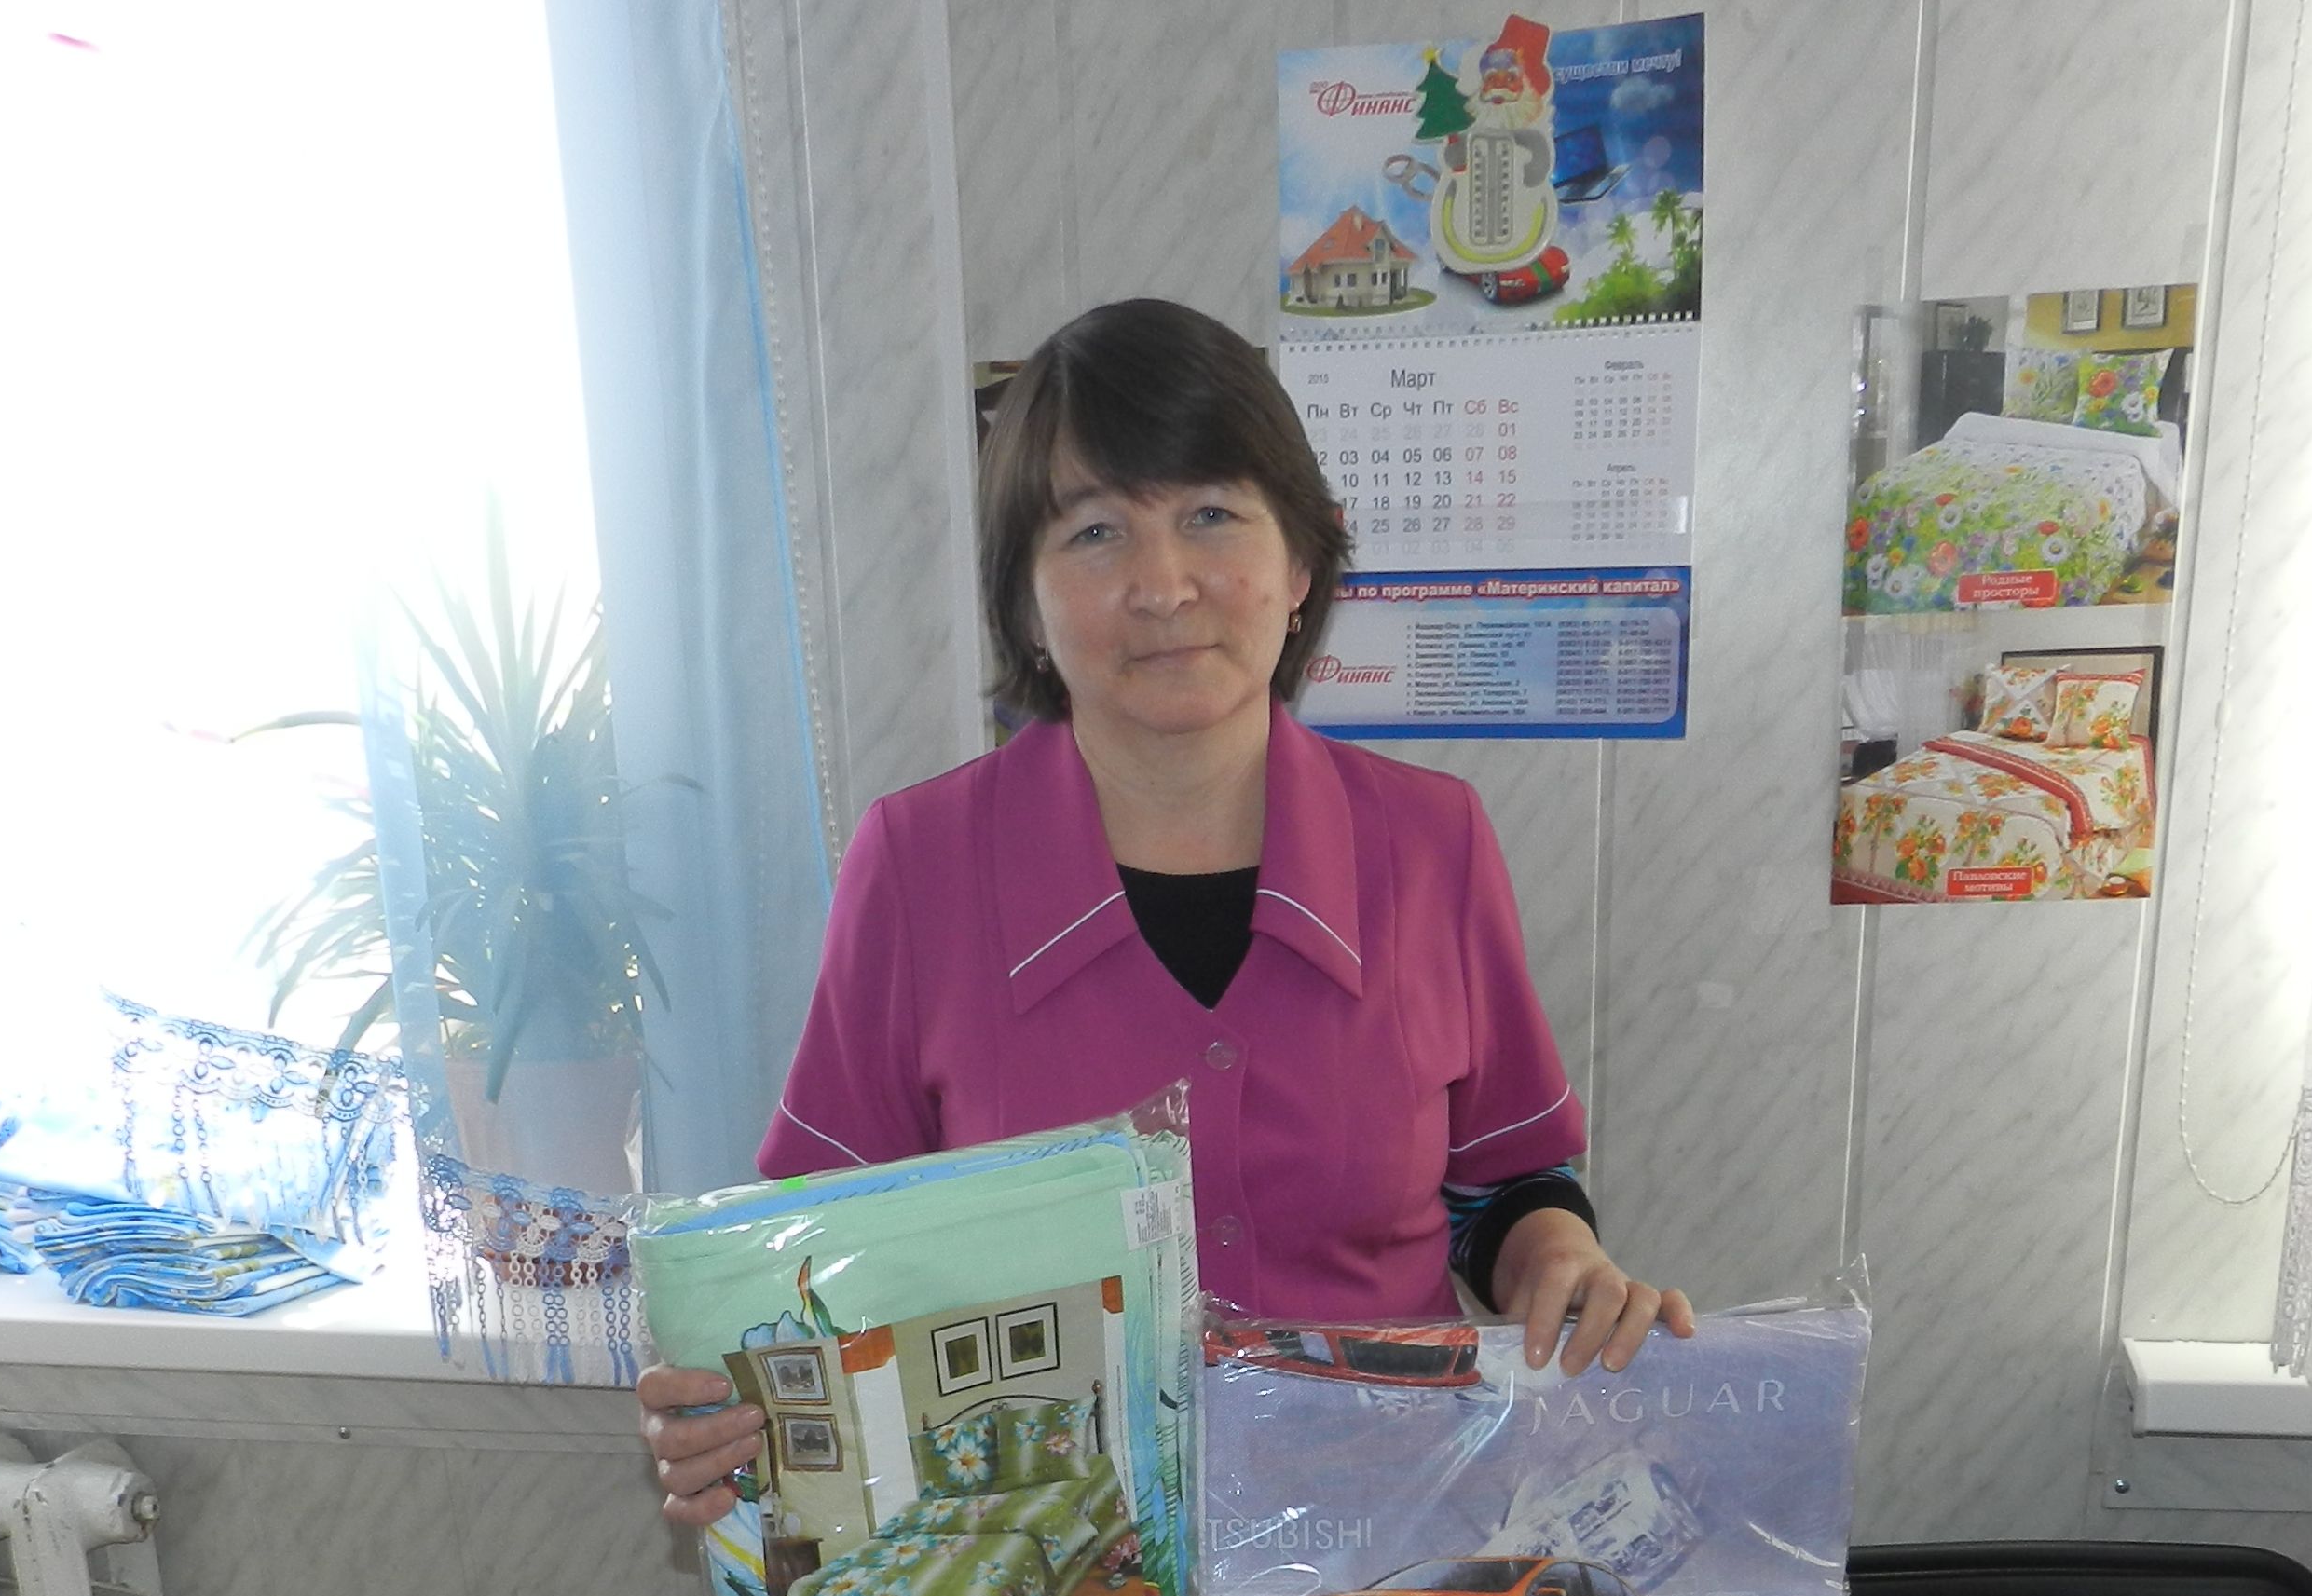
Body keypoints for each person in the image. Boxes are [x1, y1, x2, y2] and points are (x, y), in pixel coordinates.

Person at [641, 295, 1687, 1524]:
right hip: (1047, 1581)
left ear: (1301, 565)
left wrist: (1559, 1259)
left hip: (1389, 1550)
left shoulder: (1430, 842)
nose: (1163, 584)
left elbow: (1501, 1184)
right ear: (1024, 603)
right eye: (1094, 532)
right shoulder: (919, 866)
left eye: (1211, 516)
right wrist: (735, 1415)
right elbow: (812, 1262)